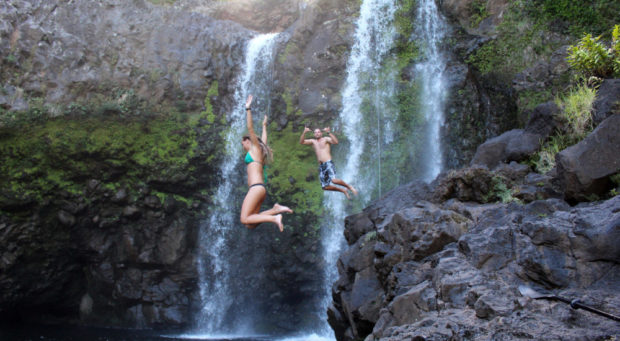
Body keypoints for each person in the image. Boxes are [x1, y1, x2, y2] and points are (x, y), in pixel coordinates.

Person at [240, 95, 292, 232]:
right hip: (260, 189)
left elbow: (250, 128)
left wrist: (248, 108)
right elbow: (264, 140)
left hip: (256, 188)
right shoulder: (260, 152)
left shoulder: (254, 148)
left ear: (249, 141)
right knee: (250, 223)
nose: (242, 144)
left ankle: (274, 218)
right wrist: (264, 126)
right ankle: (275, 210)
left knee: (244, 219)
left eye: (243, 141)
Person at [299, 126, 358, 199]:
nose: (317, 133)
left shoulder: (325, 139)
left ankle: (350, 187)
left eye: (318, 132)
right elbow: (301, 142)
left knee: (334, 180)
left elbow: (336, 142)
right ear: (314, 134)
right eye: (315, 132)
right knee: (325, 187)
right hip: (321, 166)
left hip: (328, 163)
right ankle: (343, 190)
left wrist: (329, 132)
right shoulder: (313, 142)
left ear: (321, 133)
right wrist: (304, 132)